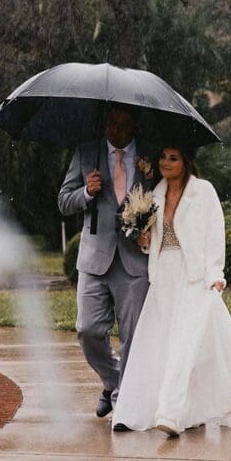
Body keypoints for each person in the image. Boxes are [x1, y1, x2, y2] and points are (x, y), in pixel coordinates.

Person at [111, 145, 231, 437]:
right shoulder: (154, 195)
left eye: (173, 158)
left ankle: (170, 414)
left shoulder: (204, 192)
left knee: (184, 344)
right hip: (164, 277)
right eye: (162, 157)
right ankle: (142, 410)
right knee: (161, 343)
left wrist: (215, 273)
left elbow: (215, 232)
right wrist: (144, 240)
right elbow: (154, 243)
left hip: (195, 276)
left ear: (186, 162)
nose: (166, 163)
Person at [57, 103, 158, 420]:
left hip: (134, 262)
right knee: (87, 329)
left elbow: (162, 200)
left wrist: (148, 231)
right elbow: (63, 201)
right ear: (105, 124)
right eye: (113, 124)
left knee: (132, 336)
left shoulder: (150, 157)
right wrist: (86, 192)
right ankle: (113, 381)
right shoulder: (85, 153)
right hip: (94, 259)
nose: (118, 131)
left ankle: (123, 402)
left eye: (125, 125)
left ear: (134, 126)